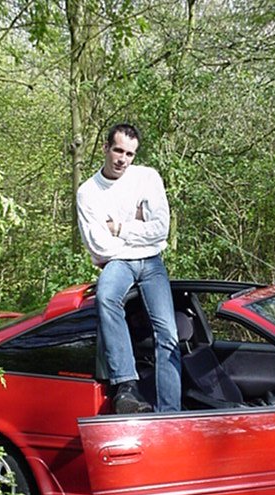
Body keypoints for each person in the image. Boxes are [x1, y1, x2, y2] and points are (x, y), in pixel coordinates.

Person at [77, 123, 181, 413]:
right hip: (118, 263)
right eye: (118, 151)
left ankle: (170, 412)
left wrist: (119, 228)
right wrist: (139, 225)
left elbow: (160, 231)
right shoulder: (88, 192)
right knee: (106, 297)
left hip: (152, 261)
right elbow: (99, 246)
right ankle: (126, 385)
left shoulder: (147, 178)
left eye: (130, 154)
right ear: (105, 148)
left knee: (168, 334)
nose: (123, 159)